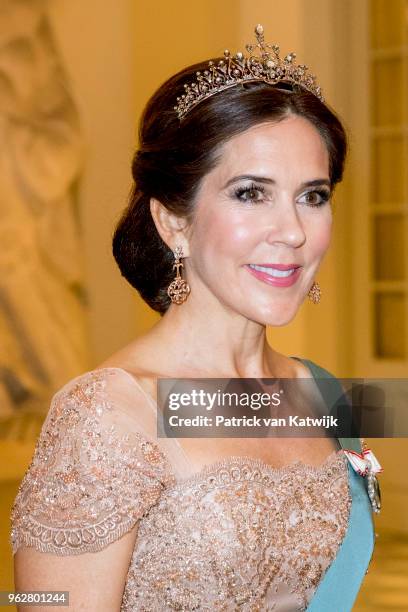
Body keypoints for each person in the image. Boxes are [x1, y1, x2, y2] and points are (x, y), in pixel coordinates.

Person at [10, 25, 380, 611]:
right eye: (250, 193)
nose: (292, 232)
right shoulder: (110, 414)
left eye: (312, 196)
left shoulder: (321, 391)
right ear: (172, 222)